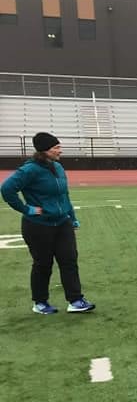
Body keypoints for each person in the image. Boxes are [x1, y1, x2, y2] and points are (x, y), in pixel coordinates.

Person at [1, 132, 95, 314]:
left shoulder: (58, 167)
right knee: (43, 264)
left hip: (62, 223)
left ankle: (75, 300)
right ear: (44, 151)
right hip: (38, 226)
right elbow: (6, 189)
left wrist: (72, 217)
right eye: (56, 147)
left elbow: (64, 195)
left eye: (59, 146)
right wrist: (26, 209)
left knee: (69, 260)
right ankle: (40, 302)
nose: (60, 150)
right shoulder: (29, 170)